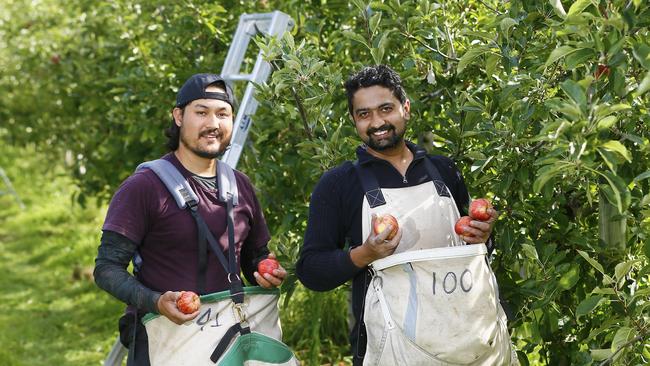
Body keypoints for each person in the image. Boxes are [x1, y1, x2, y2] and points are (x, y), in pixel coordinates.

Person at [295, 65, 498, 365]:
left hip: (468, 339)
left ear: (406, 109)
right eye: (364, 114)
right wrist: (365, 253)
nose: (377, 122)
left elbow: (474, 253)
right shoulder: (339, 184)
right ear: (353, 120)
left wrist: (483, 236)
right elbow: (310, 270)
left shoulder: (444, 171)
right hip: (392, 348)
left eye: (386, 109)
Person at [94, 73, 286, 365]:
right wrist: (156, 301)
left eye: (223, 114)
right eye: (201, 112)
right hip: (165, 339)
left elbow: (252, 257)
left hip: (228, 341)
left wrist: (265, 271)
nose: (213, 124)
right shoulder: (144, 187)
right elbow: (107, 268)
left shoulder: (240, 185)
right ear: (178, 116)